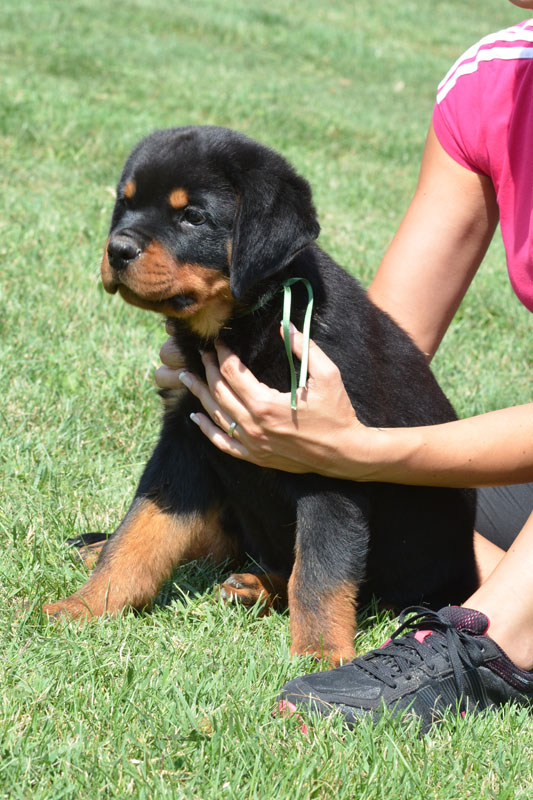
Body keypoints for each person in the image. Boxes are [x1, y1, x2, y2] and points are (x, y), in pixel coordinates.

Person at [155, 3, 533, 729]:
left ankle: (486, 645)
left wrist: (366, 451)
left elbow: (370, 435)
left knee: (372, 470)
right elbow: (377, 351)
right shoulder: (492, 81)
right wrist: (253, 369)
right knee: (377, 496)